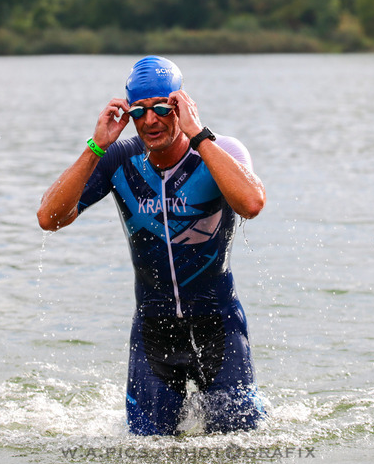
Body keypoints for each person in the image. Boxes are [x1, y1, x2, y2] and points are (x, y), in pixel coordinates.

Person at [36, 55, 267, 436]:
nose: (151, 120)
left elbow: (252, 204)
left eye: (162, 108)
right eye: (140, 112)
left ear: (181, 105)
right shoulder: (118, 159)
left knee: (238, 449)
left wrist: (199, 135)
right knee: (146, 451)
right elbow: (49, 217)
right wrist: (96, 146)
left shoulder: (219, 150)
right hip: (153, 334)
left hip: (219, 330)